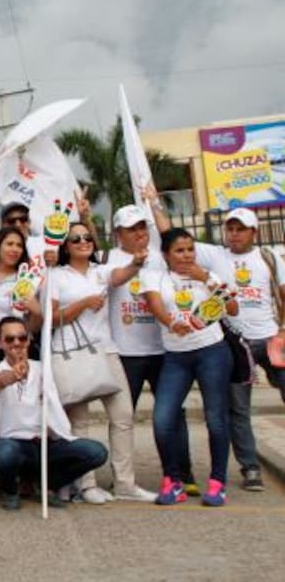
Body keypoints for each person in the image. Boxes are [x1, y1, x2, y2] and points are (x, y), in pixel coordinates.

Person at [49, 221, 156, 504]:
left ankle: (125, 483)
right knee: (79, 422)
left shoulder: (101, 271)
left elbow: (122, 275)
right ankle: (86, 485)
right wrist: (83, 303)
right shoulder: (56, 275)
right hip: (71, 351)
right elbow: (52, 318)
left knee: (123, 417)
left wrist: (137, 261)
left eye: (87, 237)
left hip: (107, 350)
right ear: (65, 246)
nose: (84, 241)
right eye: (75, 239)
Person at [142, 228, 239, 507]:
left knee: (216, 419)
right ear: (166, 255)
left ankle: (217, 483)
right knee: (162, 420)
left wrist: (206, 279)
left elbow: (232, 309)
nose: (186, 256)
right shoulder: (154, 277)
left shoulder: (208, 276)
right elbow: (156, 306)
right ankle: (173, 482)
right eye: (179, 251)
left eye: (190, 250)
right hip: (175, 356)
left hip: (213, 352)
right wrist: (173, 324)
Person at [106, 204, 199, 495]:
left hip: (164, 352)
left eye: (142, 227)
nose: (139, 233)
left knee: (173, 414)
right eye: (132, 229)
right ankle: (123, 479)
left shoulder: (162, 258)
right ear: (119, 233)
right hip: (126, 353)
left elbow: (171, 234)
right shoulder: (107, 259)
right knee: (123, 419)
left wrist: (154, 201)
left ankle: (183, 474)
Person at [0, 317, 109, 510]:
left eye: (21, 337)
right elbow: (0, 381)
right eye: (10, 339)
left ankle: (47, 485)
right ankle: (10, 491)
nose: (16, 343)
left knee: (96, 452)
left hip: (45, 442)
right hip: (15, 443)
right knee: (5, 454)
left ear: (28, 339)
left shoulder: (43, 368)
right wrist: (15, 375)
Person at [211, 208, 285, 492]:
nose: (234, 234)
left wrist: (283, 329)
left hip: (271, 340)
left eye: (240, 229)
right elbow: (170, 235)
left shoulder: (268, 256)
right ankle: (251, 467)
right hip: (237, 344)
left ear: (254, 232)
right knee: (238, 409)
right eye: (230, 229)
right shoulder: (216, 255)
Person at [0, 226, 43, 345]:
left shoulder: (28, 280)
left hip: (13, 347)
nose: (15, 249)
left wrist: (37, 313)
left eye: (19, 245)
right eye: (9, 244)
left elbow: (33, 329)